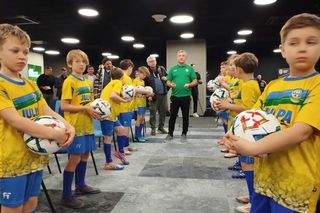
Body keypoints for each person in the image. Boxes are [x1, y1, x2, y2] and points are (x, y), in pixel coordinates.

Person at [223, 13, 320, 213]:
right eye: (294, 43)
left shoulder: (317, 85)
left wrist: (252, 148)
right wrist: (234, 138)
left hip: (296, 186)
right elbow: (249, 117)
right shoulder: (272, 87)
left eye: (311, 42)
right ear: (282, 50)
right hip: (264, 178)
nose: (302, 48)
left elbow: (302, 131)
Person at [0, 23, 74, 213]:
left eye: (25, 51)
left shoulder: (31, 84)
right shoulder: (1, 85)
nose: (22, 56)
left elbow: (46, 109)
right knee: (13, 208)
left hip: (34, 156)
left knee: (31, 203)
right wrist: (54, 134)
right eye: (15, 50)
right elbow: (16, 121)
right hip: (10, 160)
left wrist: (68, 126)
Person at [215, 52, 261, 213]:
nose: (231, 70)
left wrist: (227, 105)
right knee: (246, 163)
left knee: (249, 165)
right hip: (243, 126)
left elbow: (247, 108)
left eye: (234, 67)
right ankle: (253, 196)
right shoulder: (247, 83)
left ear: (239, 70)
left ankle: (255, 202)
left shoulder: (249, 85)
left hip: (248, 129)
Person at [61, 49, 101, 209]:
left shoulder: (86, 82)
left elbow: (90, 105)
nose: (81, 64)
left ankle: (81, 185)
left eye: (84, 61)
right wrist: (85, 109)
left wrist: (98, 110)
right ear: (70, 64)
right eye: (77, 61)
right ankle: (66, 195)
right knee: (74, 159)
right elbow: (64, 106)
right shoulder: (69, 81)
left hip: (87, 126)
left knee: (85, 156)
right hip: (75, 127)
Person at [165, 50, 198, 141]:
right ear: (177, 57)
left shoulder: (190, 69)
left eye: (183, 55)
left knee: (185, 116)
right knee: (172, 116)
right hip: (175, 97)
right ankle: (170, 134)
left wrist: (190, 85)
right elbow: (168, 81)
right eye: (179, 55)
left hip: (186, 97)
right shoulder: (172, 69)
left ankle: (184, 134)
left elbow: (195, 81)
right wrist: (170, 84)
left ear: (185, 57)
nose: (181, 57)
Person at [100, 68, 129, 170]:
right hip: (107, 114)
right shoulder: (117, 82)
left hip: (111, 114)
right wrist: (124, 101)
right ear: (122, 77)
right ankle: (108, 162)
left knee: (121, 130)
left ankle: (120, 152)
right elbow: (113, 96)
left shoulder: (110, 83)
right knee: (108, 138)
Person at [145, 55, 168, 135]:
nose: (153, 63)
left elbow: (168, 77)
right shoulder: (146, 72)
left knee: (163, 111)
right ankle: (153, 128)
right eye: (151, 61)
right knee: (153, 112)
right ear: (148, 63)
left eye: (154, 61)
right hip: (153, 95)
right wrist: (149, 95)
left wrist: (166, 78)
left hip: (163, 94)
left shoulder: (161, 69)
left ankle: (161, 127)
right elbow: (145, 85)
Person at [133, 66, 151, 142]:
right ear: (140, 73)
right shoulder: (135, 81)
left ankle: (140, 135)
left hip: (143, 102)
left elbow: (143, 92)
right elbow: (133, 91)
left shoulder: (142, 82)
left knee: (142, 119)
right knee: (139, 119)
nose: (145, 76)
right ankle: (137, 136)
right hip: (137, 103)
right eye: (144, 74)